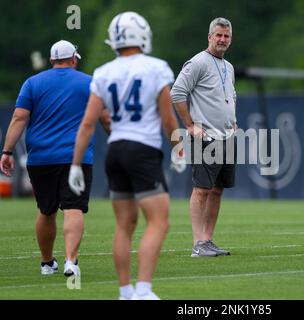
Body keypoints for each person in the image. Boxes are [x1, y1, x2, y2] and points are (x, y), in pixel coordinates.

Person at [68, 11, 184, 300]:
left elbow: (87, 123)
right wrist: (179, 148)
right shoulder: (156, 68)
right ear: (143, 35)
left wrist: (75, 165)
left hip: (116, 150)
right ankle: (143, 291)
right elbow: (168, 119)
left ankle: (125, 292)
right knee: (158, 221)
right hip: (142, 150)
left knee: (124, 225)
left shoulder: (104, 72)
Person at [0, 40, 106, 277]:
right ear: (74, 59)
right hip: (75, 158)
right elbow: (104, 117)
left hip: (41, 159)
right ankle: (71, 261)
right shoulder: (89, 82)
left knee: (46, 210)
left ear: (51, 61)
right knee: (73, 207)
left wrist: (7, 151)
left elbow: (18, 118)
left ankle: (47, 264)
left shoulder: (32, 83)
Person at [171, 17, 236, 257]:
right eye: (218, 35)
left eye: (226, 36)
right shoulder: (198, 62)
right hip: (205, 136)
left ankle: (207, 240)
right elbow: (176, 92)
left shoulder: (228, 66)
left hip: (226, 136)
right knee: (201, 189)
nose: (222, 39)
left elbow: (232, 95)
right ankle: (198, 244)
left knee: (218, 189)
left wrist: (234, 121)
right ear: (209, 36)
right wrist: (189, 124)